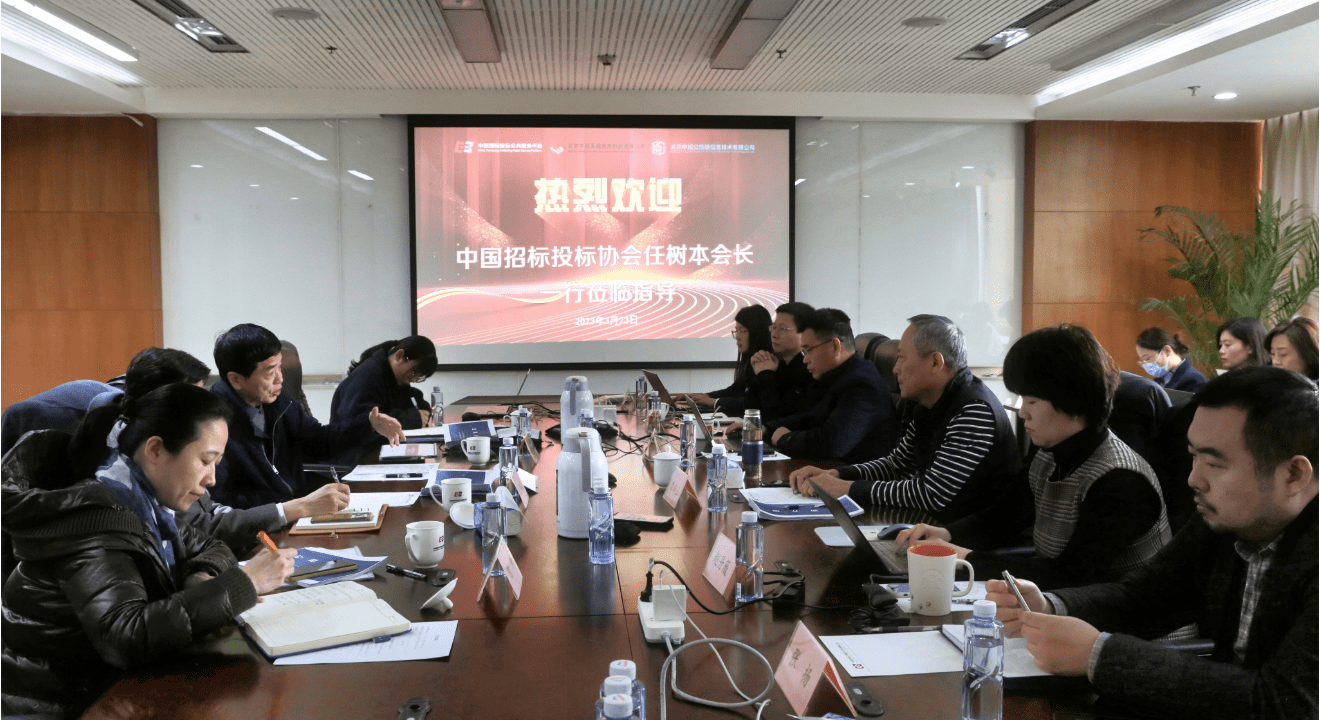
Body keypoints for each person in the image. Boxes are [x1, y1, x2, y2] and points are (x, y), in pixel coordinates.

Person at [985, 367, 1317, 720]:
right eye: (1193, 456)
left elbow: (1285, 705)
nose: (1194, 479)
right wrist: (1051, 605)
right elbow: (1142, 599)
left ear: (1294, 474)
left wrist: (1099, 655)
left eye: (1214, 463)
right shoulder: (1229, 520)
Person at [1, 383, 297, 718]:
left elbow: (209, 546)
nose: (211, 479)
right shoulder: (96, 517)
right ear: (155, 450)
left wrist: (200, 576)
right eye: (205, 461)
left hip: (112, 690)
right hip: (66, 705)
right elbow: (126, 637)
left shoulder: (141, 503)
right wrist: (245, 584)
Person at [894, 325, 1171, 589]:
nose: (1023, 412)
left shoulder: (1121, 480)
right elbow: (1006, 516)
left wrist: (962, 557)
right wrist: (946, 534)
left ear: (1073, 401)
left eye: (1032, 401)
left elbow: (1071, 575)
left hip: (1123, 620)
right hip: (1058, 607)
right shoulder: (1049, 452)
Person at [67, 348, 351, 556]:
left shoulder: (186, 447)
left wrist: (214, 567)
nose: (210, 477)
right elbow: (198, 529)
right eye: (194, 400)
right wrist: (292, 509)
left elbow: (200, 528)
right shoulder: (115, 495)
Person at [788, 314, 1018, 523]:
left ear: (935, 362)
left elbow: (932, 494)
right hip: (937, 527)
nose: (895, 369)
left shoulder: (973, 409)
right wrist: (838, 474)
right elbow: (897, 466)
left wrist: (848, 488)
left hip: (975, 540)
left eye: (901, 358)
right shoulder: (928, 403)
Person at [209, 324, 404, 509]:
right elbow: (218, 501)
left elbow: (319, 441)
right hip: (262, 523)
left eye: (280, 367)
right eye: (270, 372)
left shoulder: (277, 400)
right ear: (236, 379)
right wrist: (287, 506)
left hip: (294, 510)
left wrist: (368, 424)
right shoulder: (213, 424)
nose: (280, 378)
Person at [761, 308, 897, 463]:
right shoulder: (840, 374)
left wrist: (786, 438)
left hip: (852, 473)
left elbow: (832, 444)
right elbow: (811, 417)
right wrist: (766, 428)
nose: (805, 360)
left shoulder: (861, 384)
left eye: (808, 350)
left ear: (835, 346)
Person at [330, 336, 438, 463]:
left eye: (419, 377)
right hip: (354, 456)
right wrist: (413, 418)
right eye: (414, 372)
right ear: (399, 355)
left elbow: (414, 399)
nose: (414, 379)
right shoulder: (368, 375)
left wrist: (423, 412)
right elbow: (364, 422)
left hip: (377, 451)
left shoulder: (395, 377)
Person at [685, 305, 773, 416]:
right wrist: (703, 396)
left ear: (757, 332)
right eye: (736, 331)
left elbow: (751, 403)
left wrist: (713, 402)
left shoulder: (768, 362)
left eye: (742, 331)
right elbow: (735, 390)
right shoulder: (752, 359)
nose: (738, 337)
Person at [743, 301, 815, 422]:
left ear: (804, 333)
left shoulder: (811, 370)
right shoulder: (777, 365)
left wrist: (765, 375)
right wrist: (760, 373)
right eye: (774, 327)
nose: (774, 335)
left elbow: (778, 418)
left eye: (783, 328)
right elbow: (750, 409)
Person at [1136, 327, 1207, 392]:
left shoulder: (1195, 380)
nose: (1146, 364)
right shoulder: (1159, 379)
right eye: (1142, 360)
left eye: (1147, 358)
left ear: (1167, 350)